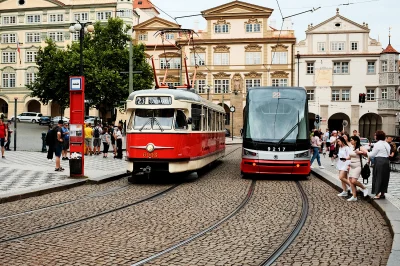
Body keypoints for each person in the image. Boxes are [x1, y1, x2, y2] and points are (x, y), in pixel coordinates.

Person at [363, 130, 391, 199]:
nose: (374, 136)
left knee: (378, 177)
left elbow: (372, 155)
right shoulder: (387, 144)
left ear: (378, 136)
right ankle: (382, 193)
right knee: (385, 178)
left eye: (375, 135)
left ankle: (377, 193)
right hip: (386, 161)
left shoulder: (377, 144)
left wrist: (366, 152)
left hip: (379, 161)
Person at [346, 136, 369, 201]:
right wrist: (345, 159)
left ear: (355, 141)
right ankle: (354, 196)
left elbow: (367, 154)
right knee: (351, 181)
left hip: (358, 166)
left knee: (354, 181)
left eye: (352, 140)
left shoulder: (360, 147)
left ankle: (364, 188)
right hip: (351, 165)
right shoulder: (351, 147)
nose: (351, 141)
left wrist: (360, 152)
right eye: (350, 140)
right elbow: (350, 156)